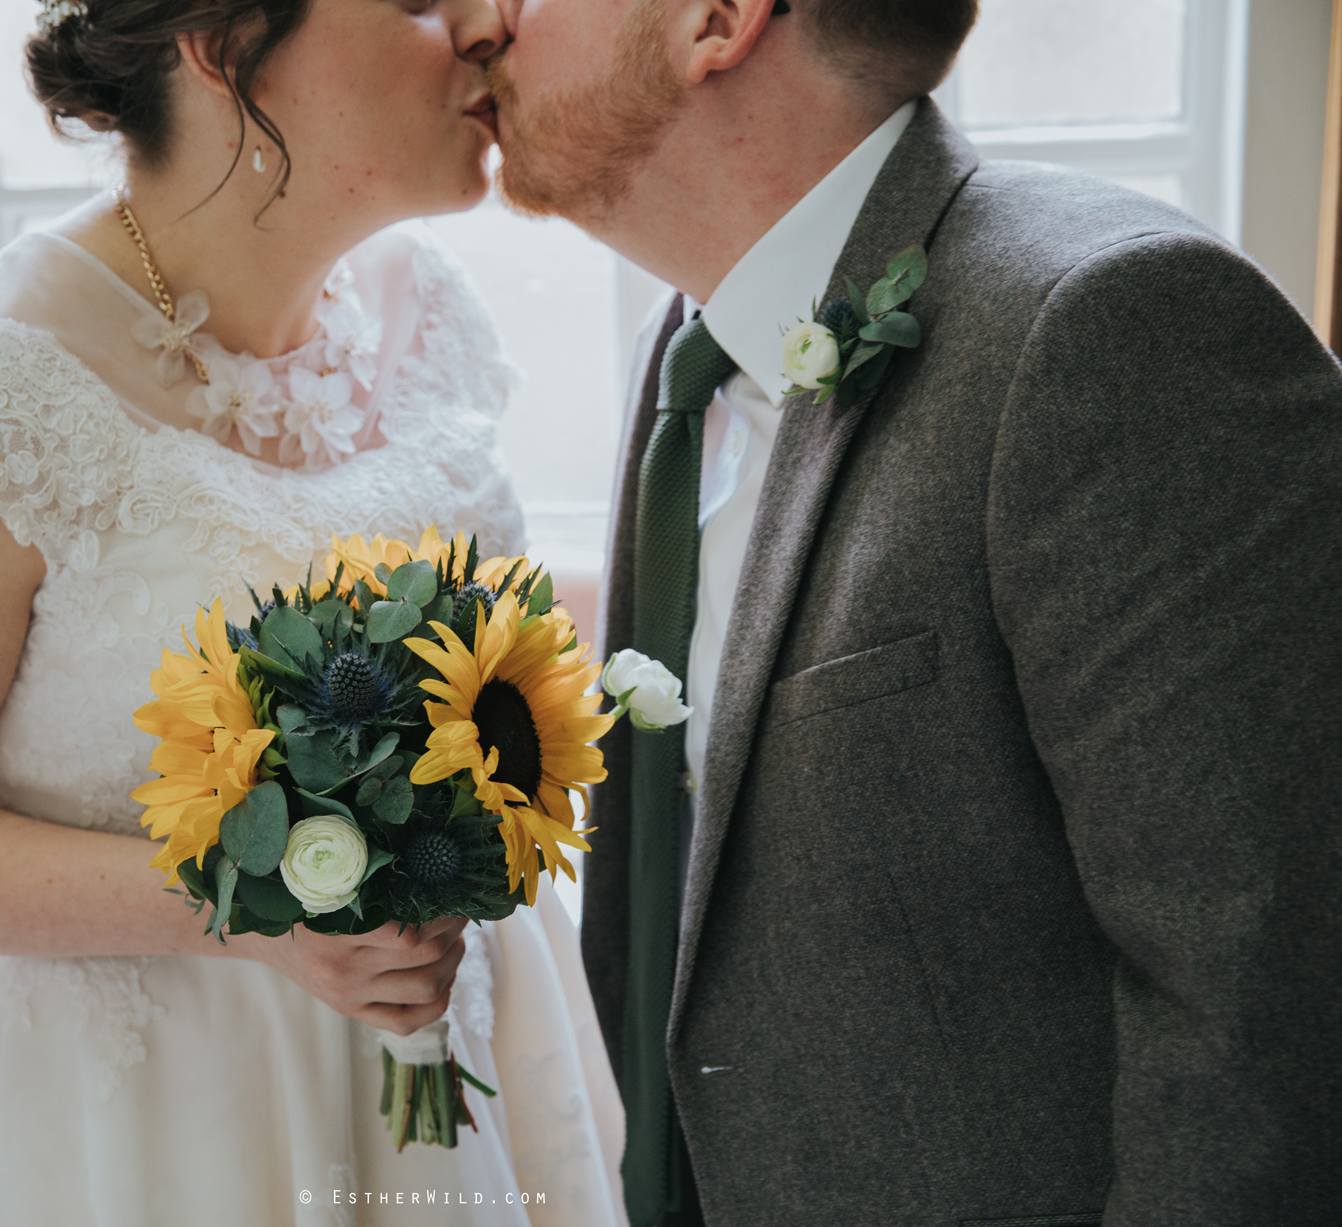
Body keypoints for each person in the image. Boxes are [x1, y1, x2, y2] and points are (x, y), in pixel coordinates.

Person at [0, 1, 627, 1222]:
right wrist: (250, 910)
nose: (490, 18)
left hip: (476, 1063)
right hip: (147, 1131)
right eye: (420, 0)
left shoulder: (426, 305)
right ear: (221, 38)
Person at [485, 0, 1342, 1223]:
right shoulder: (688, 353)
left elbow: (1266, 1002)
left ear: (716, 21)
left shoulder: (1113, 325)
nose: (484, 16)